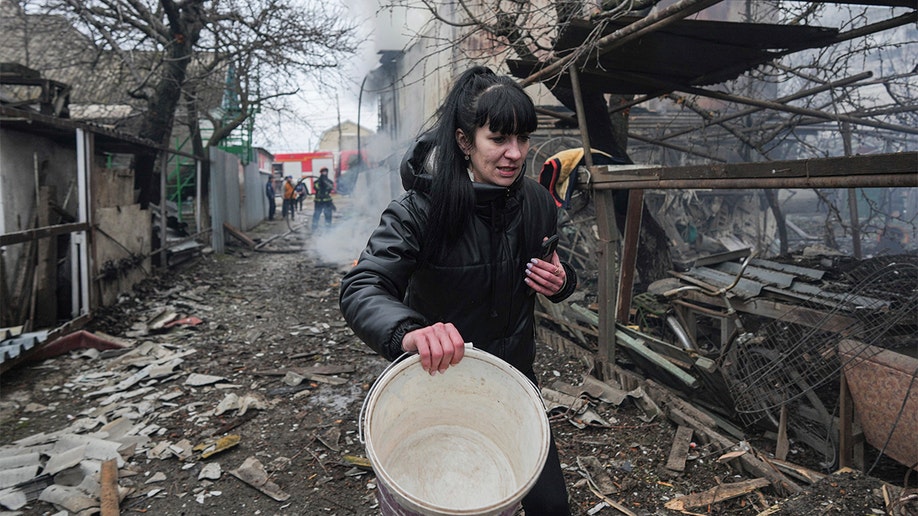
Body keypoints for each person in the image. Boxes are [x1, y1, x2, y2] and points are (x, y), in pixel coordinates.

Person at [339, 66, 576, 515]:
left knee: (551, 506)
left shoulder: (538, 203)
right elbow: (362, 285)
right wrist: (410, 332)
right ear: (465, 141)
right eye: (499, 139)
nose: (514, 153)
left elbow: (558, 269)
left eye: (523, 139)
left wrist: (563, 283)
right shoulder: (419, 210)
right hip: (439, 388)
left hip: (515, 388)